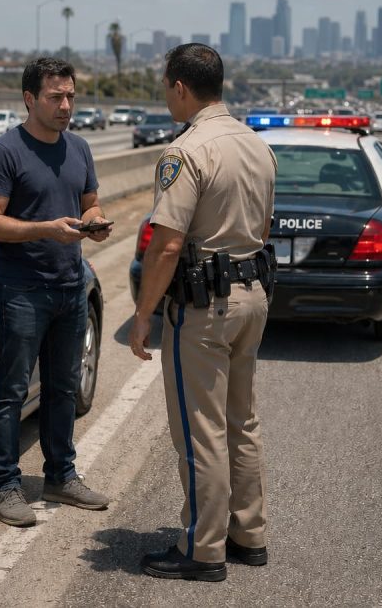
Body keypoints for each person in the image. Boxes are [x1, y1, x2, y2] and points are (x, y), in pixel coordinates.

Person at [129, 43, 277, 581]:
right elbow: (261, 230)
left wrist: (144, 313)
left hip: (205, 308)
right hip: (252, 295)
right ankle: (249, 534)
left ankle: (202, 548)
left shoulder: (186, 151)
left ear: (181, 88)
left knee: (202, 431)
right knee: (242, 421)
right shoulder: (257, 145)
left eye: (166, 85)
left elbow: (167, 245)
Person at [0, 57, 113, 527]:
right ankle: (5, 485)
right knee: (11, 390)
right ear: (30, 99)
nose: (66, 105)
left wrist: (94, 223)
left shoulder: (79, 148)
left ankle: (60, 476)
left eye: (71, 96)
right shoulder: (4, 152)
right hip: (22, 290)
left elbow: (89, 202)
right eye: (56, 97)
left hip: (71, 286)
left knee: (62, 387)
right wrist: (45, 230)